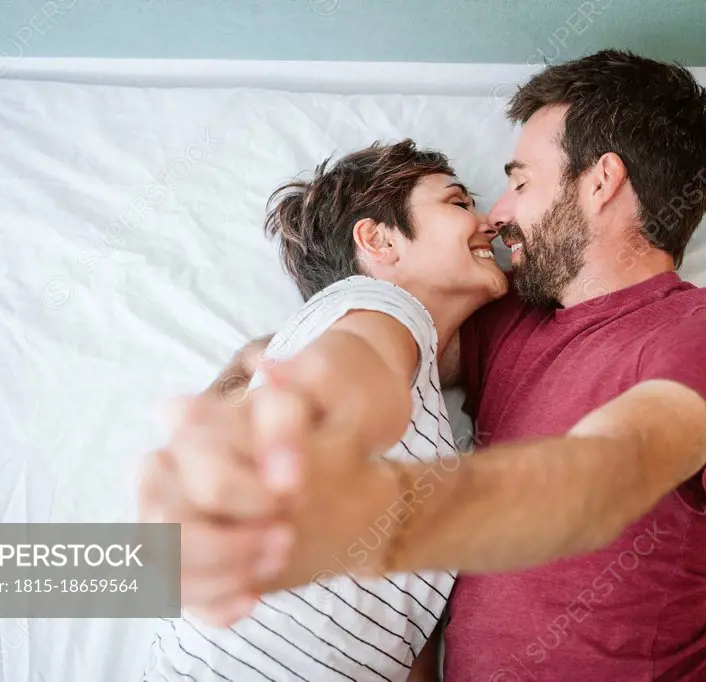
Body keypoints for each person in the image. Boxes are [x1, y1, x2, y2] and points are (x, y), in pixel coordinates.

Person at [140, 49, 706, 681]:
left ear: (601, 181)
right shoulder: (506, 326)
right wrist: (259, 402)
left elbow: (607, 472)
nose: (497, 215)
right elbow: (366, 347)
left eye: (522, 182)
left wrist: (393, 512)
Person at [141, 139, 507, 681]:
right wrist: (302, 402)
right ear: (379, 239)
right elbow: (357, 363)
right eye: (458, 203)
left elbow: (410, 637)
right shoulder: (385, 307)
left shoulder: (439, 443)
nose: (490, 222)